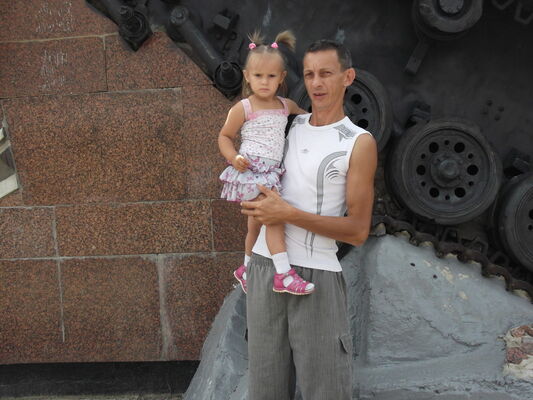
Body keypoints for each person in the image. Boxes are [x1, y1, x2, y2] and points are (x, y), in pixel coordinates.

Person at [241, 39, 378, 399]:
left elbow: (358, 231)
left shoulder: (358, 142)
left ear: (348, 77)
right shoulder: (288, 124)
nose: (317, 83)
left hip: (317, 276)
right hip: (264, 268)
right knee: (265, 391)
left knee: (326, 390)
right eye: (309, 74)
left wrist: (288, 214)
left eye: (326, 73)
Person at [218, 30, 314, 295]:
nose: (264, 82)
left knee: (255, 225)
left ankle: (246, 268)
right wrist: (233, 157)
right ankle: (283, 274)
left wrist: (320, 121)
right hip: (250, 172)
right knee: (274, 218)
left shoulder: (285, 105)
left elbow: (306, 117)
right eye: (258, 76)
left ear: (281, 78)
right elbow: (224, 136)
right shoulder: (244, 107)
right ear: (247, 76)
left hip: (271, 174)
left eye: (271, 76)